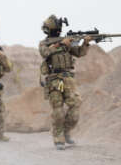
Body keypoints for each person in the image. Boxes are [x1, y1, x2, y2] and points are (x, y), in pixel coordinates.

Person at [38, 15, 91, 150]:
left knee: (75, 106)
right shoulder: (44, 43)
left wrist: (85, 43)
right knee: (58, 110)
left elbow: (79, 53)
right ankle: (58, 137)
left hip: (68, 79)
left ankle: (66, 132)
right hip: (54, 80)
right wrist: (61, 44)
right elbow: (45, 53)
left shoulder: (68, 42)